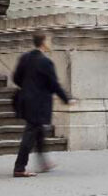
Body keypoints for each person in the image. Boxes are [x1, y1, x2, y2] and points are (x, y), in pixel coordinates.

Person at [12, 33, 69, 177]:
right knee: (30, 133)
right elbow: (54, 84)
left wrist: (28, 88)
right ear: (43, 43)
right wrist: (66, 99)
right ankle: (19, 168)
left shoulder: (25, 57)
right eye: (49, 40)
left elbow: (16, 78)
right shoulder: (45, 62)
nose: (50, 43)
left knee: (38, 131)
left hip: (25, 100)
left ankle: (43, 162)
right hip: (38, 103)